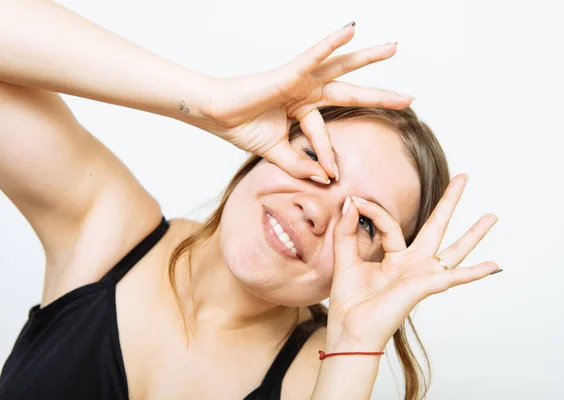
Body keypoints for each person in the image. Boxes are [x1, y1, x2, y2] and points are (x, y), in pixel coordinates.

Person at [0, 0, 501, 399]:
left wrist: (354, 349)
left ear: (379, 266)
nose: (318, 210)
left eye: (365, 222)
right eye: (317, 160)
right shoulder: (106, 229)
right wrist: (209, 102)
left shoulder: (320, 377)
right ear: (264, 151)